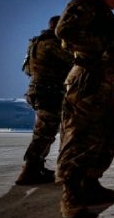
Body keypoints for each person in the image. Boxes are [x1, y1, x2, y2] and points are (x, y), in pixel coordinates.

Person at [56, 0, 114, 218]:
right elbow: (65, 31)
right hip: (88, 80)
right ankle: (70, 194)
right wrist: (109, 44)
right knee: (80, 136)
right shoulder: (85, 5)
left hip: (108, 82)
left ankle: (90, 184)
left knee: (107, 137)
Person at [16, 15, 73, 185]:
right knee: (44, 133)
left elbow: (26, 69)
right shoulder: (53, 43)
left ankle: (36, 167)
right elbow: (74, 61)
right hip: (49, 92)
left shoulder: (35, 43)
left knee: (44, 132)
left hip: (38, 90)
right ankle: (29, 170)